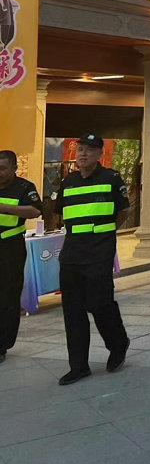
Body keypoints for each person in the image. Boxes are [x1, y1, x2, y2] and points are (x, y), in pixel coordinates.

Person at [54, 134, 131, 385]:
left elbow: (123, 211)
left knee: (100, 303)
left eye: (89, 150)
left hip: (99, 251)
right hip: (72, 253)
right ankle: (78, 366)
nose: (83, 154)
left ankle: (118, 343)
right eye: (80, 150)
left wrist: (106, 232)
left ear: (100, 154)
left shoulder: (111, 178)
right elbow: (59, 213)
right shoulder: (68, 182)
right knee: (72, 310)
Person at [0, 150, 43, 364]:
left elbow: (35, 211)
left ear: (14, 168)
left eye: (3, 168)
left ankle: (2, 344)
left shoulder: (24, 187)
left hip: (10, 248)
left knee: (7, 296)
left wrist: (4, 208)